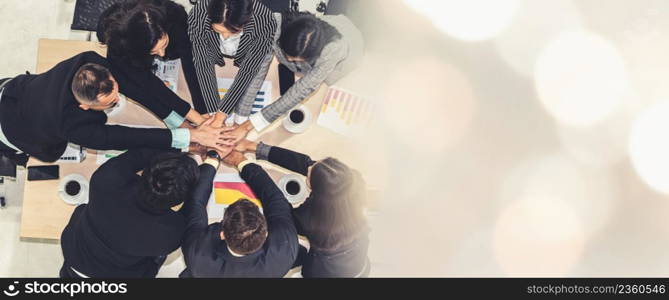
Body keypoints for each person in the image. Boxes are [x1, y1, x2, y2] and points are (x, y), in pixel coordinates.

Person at [0, 51, 230, 163]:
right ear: (85, 106)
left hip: (15, 89)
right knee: (51, 150)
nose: (119, 98)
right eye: (110, 102)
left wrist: (191, 120)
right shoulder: (73, 128)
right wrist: (187, 138)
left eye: (116, 90)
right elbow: (127, 137)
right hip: (14, 127)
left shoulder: (90, 62)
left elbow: (142, 85)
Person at [235, 139, 370, 277]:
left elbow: (278, 207)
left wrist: (242, 163)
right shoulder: (350, 182)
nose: (309, 168)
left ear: (316, 190)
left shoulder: (310, 219)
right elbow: (313, 167)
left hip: (327, 272)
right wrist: (256, 147)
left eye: (310, 175)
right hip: (359, 258)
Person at [225, 11, 364, 141]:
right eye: (288, 56)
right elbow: (256, 70)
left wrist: (249, 125)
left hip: (345, 55)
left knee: (323, 86)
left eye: (298, 60)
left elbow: (302, 89)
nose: (290, 60)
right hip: (313, 44)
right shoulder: (272, 25)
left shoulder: (333, 49)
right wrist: (240, 120)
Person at [60, 149, 199, 278]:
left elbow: (137, 155)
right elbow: (194, 206)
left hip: (75, 256)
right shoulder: (171, 232)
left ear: (145, 172)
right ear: (177, 202)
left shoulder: (107, 179)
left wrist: (178, 146)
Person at [179, 148, 298, 277]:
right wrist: (241, 162)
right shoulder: (284, 252)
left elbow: (195, 203)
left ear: (223, 234)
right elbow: (276, 200)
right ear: (266, 233)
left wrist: (212, 161)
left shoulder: (197, 255)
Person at [97, 0, 208, 126]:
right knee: (131, 84)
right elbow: (150, 85)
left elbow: (191, 62)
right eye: (153, 51)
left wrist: (202, 112)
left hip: (172, 35)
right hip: (128, 54)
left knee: (179, 53)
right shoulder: (117, 43)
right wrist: (185, 120)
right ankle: (179, 124)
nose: (161, 54)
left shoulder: (174, 16)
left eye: (163, 44)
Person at [188, 0, 278, 119]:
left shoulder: (265, 20)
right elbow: (202, 61)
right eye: (218, 31)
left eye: (233, 32)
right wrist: (213, 110)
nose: (225, 37)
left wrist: (223, 112)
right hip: (215, 51)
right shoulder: (198, 13)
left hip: (243, 52)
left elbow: (249, 69)